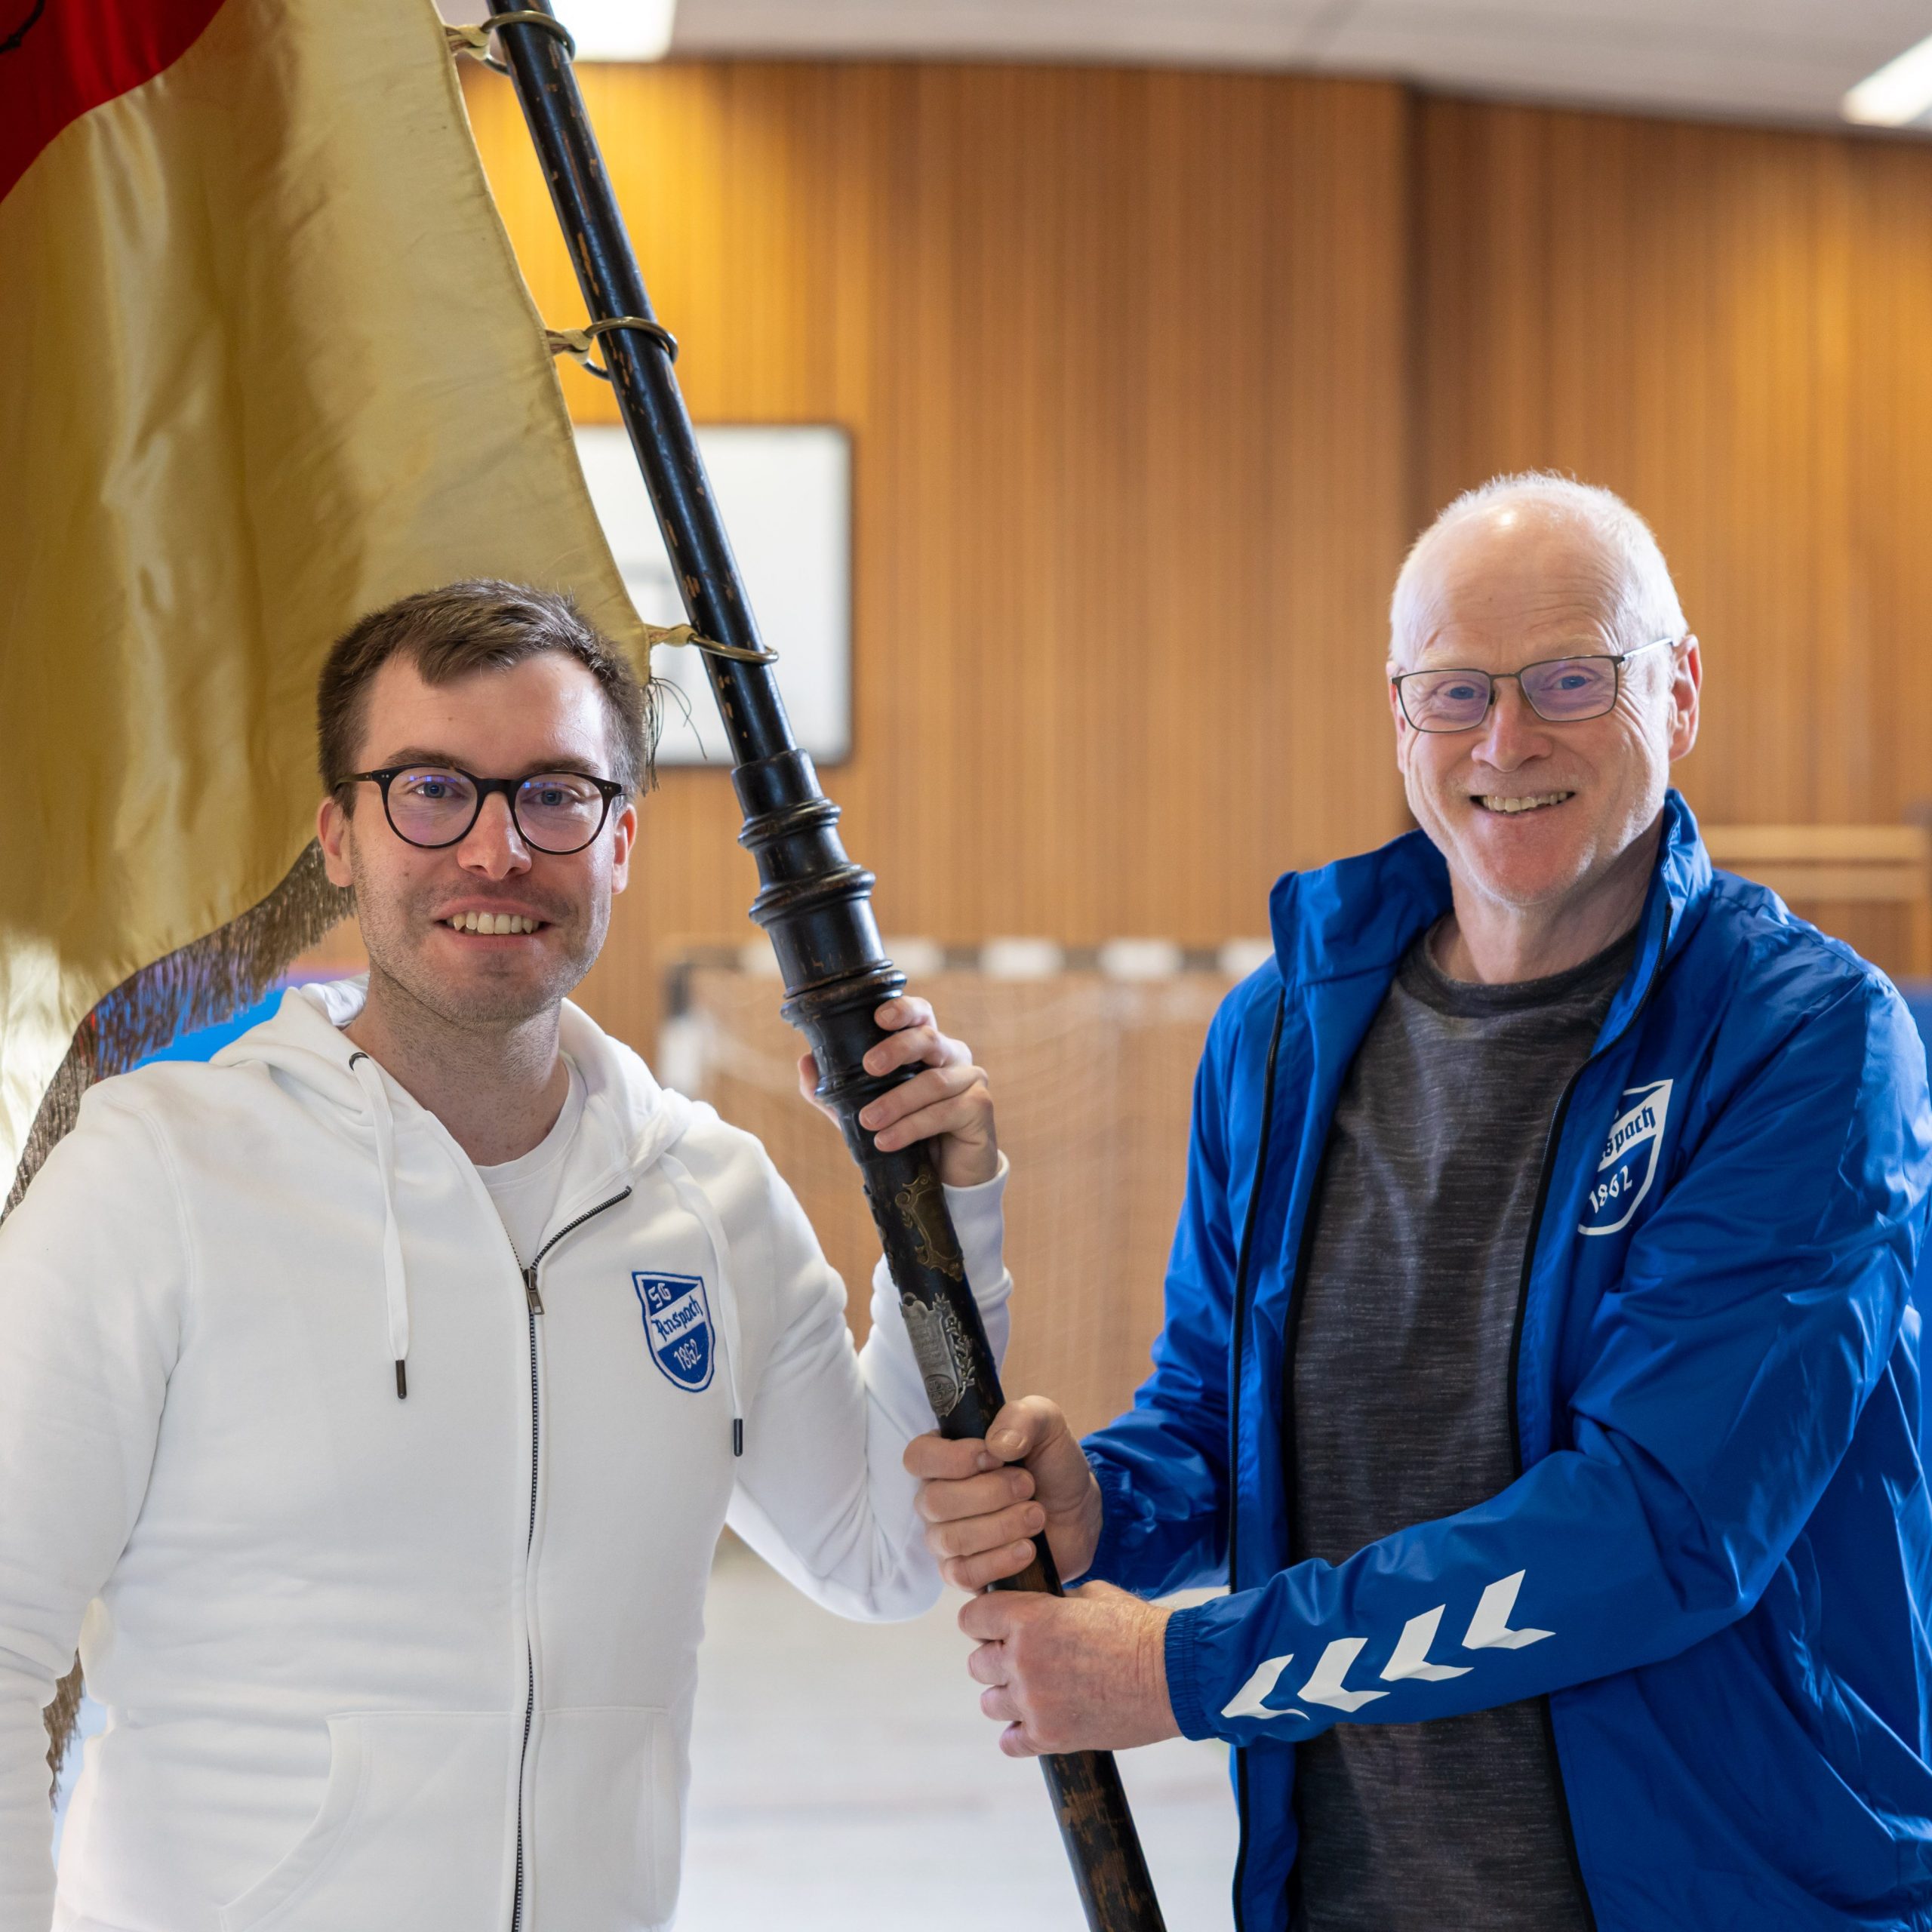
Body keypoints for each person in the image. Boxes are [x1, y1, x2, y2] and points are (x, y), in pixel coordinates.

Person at [909, 475, 1932, 1932]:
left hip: (1732, 1893)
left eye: (1571, 679)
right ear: (1401, 719)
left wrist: (1185, 1671)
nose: (1506, 741)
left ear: (1680, 692)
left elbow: (1659, 1532)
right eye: (1456, 693)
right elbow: (1217, 1416)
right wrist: (1107, 1507)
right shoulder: (1281, 1033)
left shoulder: (1804, 1042)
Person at [0, 580, 1011, 1932]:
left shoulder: (709, 1197)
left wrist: (945, 1213)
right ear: (340, 838)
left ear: (621, 839)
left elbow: (880, 1553)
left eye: (553, 795)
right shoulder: (157, 1175)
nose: (496, 850)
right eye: (431, 790)